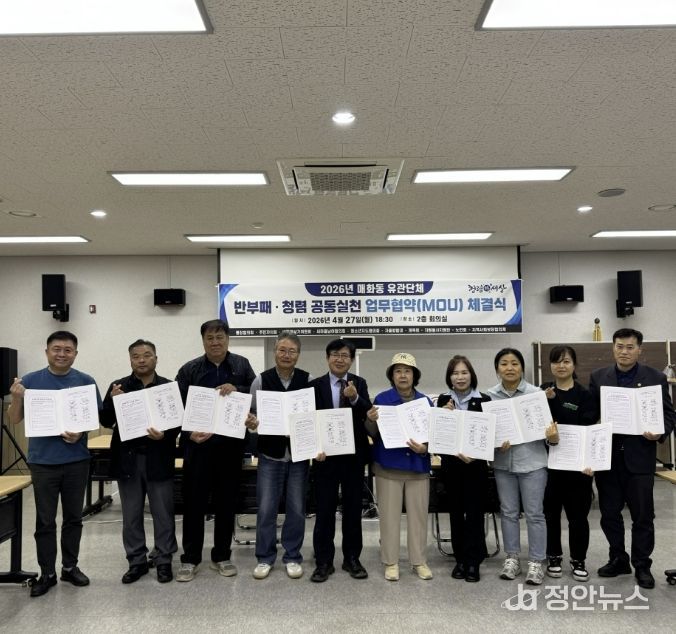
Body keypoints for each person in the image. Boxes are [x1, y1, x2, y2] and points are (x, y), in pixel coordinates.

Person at [7, 331, 102, 598]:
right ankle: (47, 572)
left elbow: (93, 417)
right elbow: (14, 419)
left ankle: (70, 567)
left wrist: (80, 433)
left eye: (67, 350)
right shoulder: (29, 381)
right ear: (47, 351)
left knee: (73, 518)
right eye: (56, 349)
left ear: (75, 354)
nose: (62, 354)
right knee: (45, 520)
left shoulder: (86, 381)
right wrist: (17, 397)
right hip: (43, 462)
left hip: (76, 461)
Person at [589, 328, 676, 589]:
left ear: (639, 350)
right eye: (619, 346)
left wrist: (659, 432)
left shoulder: (656, 378)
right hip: (608, 458)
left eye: (629, 347)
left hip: (640, 458)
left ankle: (642, 564)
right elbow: (590, 415)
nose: (624, 352)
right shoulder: (598, 377)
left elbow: (669, 415)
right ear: (613, 348)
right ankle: (618, 558)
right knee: (609, 514)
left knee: (643, 516)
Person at [174, 319, 257, 582]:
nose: (215, 342)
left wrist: (238, 389)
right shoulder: (189, 369)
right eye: (210, 338)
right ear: (203, 341)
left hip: (231, 449)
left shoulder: (242, 365)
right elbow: (176, 407)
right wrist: (189, 433)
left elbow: (256, 395)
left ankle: (221, 556)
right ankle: (190, 559)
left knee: (226, 504)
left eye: (220, 337)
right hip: (198, 449)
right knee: (194, 505)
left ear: (228, 339)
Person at [100, 339, 179, 585]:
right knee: (131, 514)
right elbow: (105, 421)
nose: (141, 360)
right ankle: (136, 561)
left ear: (156, 358)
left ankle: (164, 560)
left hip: (159, 458)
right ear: (130, 360)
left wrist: (164, 434)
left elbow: (178, 423)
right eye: (136, 356)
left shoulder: (168, 387)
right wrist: (113, 401)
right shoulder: (119, 386)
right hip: (129, 460)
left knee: (163, 513)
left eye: (146, 355)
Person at [488, 347, 559, 586]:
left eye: (514, 363)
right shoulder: (489, 397)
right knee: (508, 512)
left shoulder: (536, 394)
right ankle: (512, 558)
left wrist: (552, 435)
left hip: (533, 463)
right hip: (503, 464)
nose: (509, 368)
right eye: (504, 363)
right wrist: (495, 444)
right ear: (497, 369)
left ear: (522, 368)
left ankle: (536, 562)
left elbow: (548, 431)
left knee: (534, 514)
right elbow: (486, 434)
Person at [249, 331, 312, 580]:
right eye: (282, 350)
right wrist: (251, 423)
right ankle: (264, 557)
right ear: (275, 352)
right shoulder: (260, 381)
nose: (286, 355)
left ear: (298, 354)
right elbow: (251, 415)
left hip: (298, 455)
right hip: (270, 455)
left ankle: (292, 556)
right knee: (266, 509)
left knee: (296, 508)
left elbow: (313, 417)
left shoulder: (308, 381)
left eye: (292, 351)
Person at [308, 339, 372, 582]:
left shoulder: (359, 383)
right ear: (327, 358)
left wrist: (355, 398)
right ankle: (323, 561)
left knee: (353, 510)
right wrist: (314, 447)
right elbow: (308, 419)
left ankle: (352, 559)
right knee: (324, 510)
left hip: (353, 457)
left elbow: (369, 413)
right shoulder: (314, 386)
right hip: (325, 457)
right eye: (335, 354)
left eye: (345, 355)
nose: (340, 359)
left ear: (351, 360)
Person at [366, 353, 433, 582]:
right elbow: (372, 433)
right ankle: (391, 562)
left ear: (415, 375)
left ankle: (419, 561)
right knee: (389, 518)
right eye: (398, 371)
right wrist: (370, 419)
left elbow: (434, 434)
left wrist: (425, 448)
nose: (403, 375)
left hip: (418, 467)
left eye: (407, 371)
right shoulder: (382, 399)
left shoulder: (425, 402)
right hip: (388, 467)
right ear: (392, 375)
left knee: (418, 518)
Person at [540, 345, 598, 582]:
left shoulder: (585, 395)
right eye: (556, 361)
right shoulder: (542, 392)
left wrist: (591, 462)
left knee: (578, 517)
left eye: (566, 361)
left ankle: (578, 560)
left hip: (578, 468)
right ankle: (553, 556)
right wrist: (547, 401)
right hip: (550, 467)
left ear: (574, 365)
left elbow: (587, 430)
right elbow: (537, 425)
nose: (561, 366)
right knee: (550, 515)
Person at [436, 355, 492, 582]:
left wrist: (475, 454)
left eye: (464, 372)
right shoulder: (442, 400)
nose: (460, 377)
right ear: (449, 377)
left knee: (475, 514)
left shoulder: (484, 400)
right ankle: (460, 559)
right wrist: (444, 415)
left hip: (475, 467)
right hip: (451, 466)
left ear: (471, 375)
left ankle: (473, 561)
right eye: (455, 373)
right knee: (456, 514)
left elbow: (489, 436)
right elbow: (437, 436)